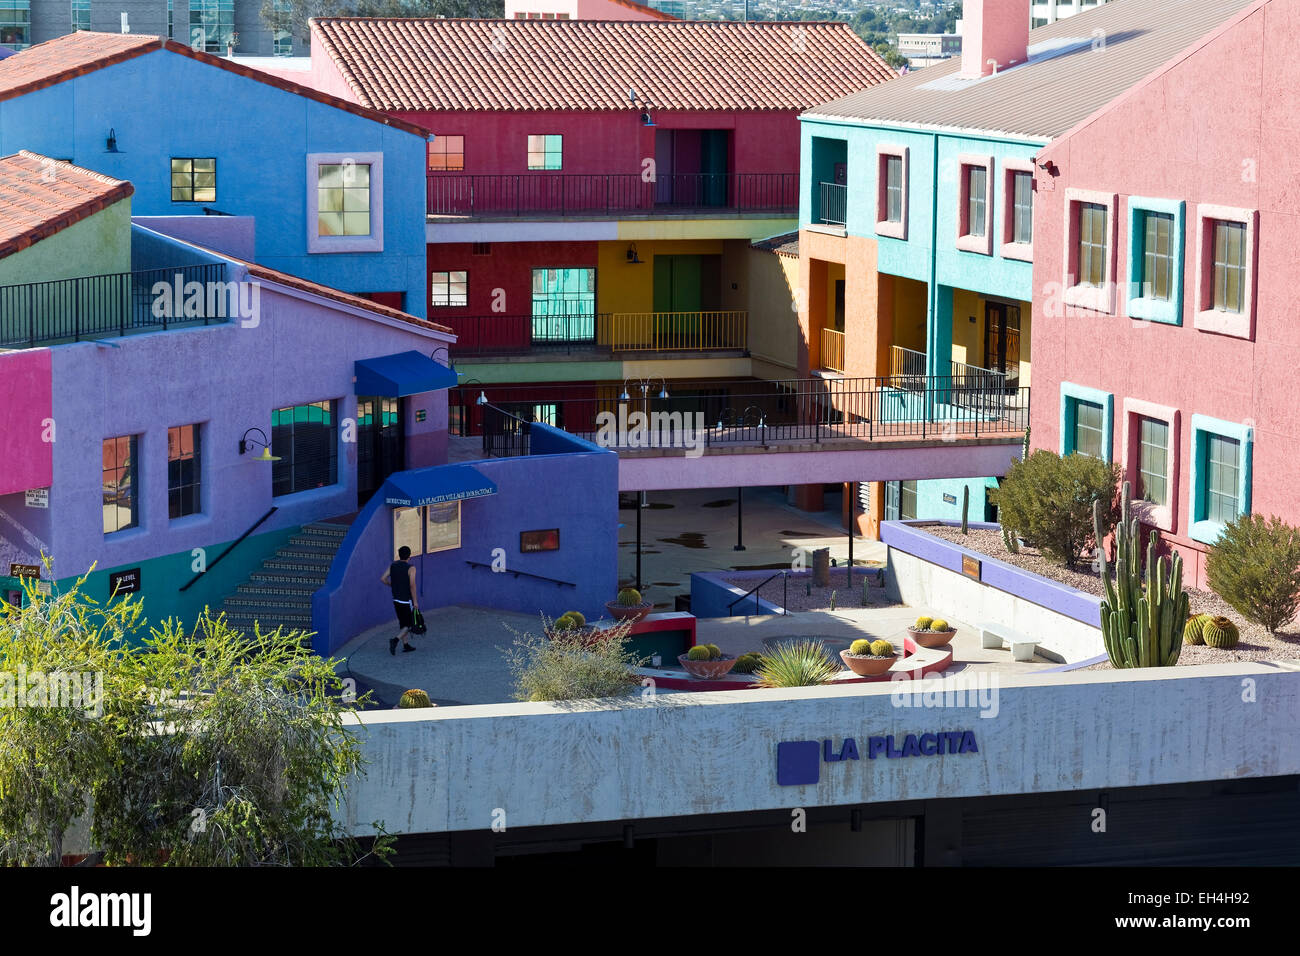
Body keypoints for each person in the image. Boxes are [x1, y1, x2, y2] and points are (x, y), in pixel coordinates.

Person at [381, 546, 419, 655]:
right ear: (409, 556)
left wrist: (392, 586)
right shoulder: (411, 568)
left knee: (403, 623)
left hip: (396, 599)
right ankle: (395, 640)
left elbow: (383, 578)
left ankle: (406, 645)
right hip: (407, 600)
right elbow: (412, 586)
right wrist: (415, 601)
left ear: (399, 554)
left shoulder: (393, 565)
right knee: (410, 624)